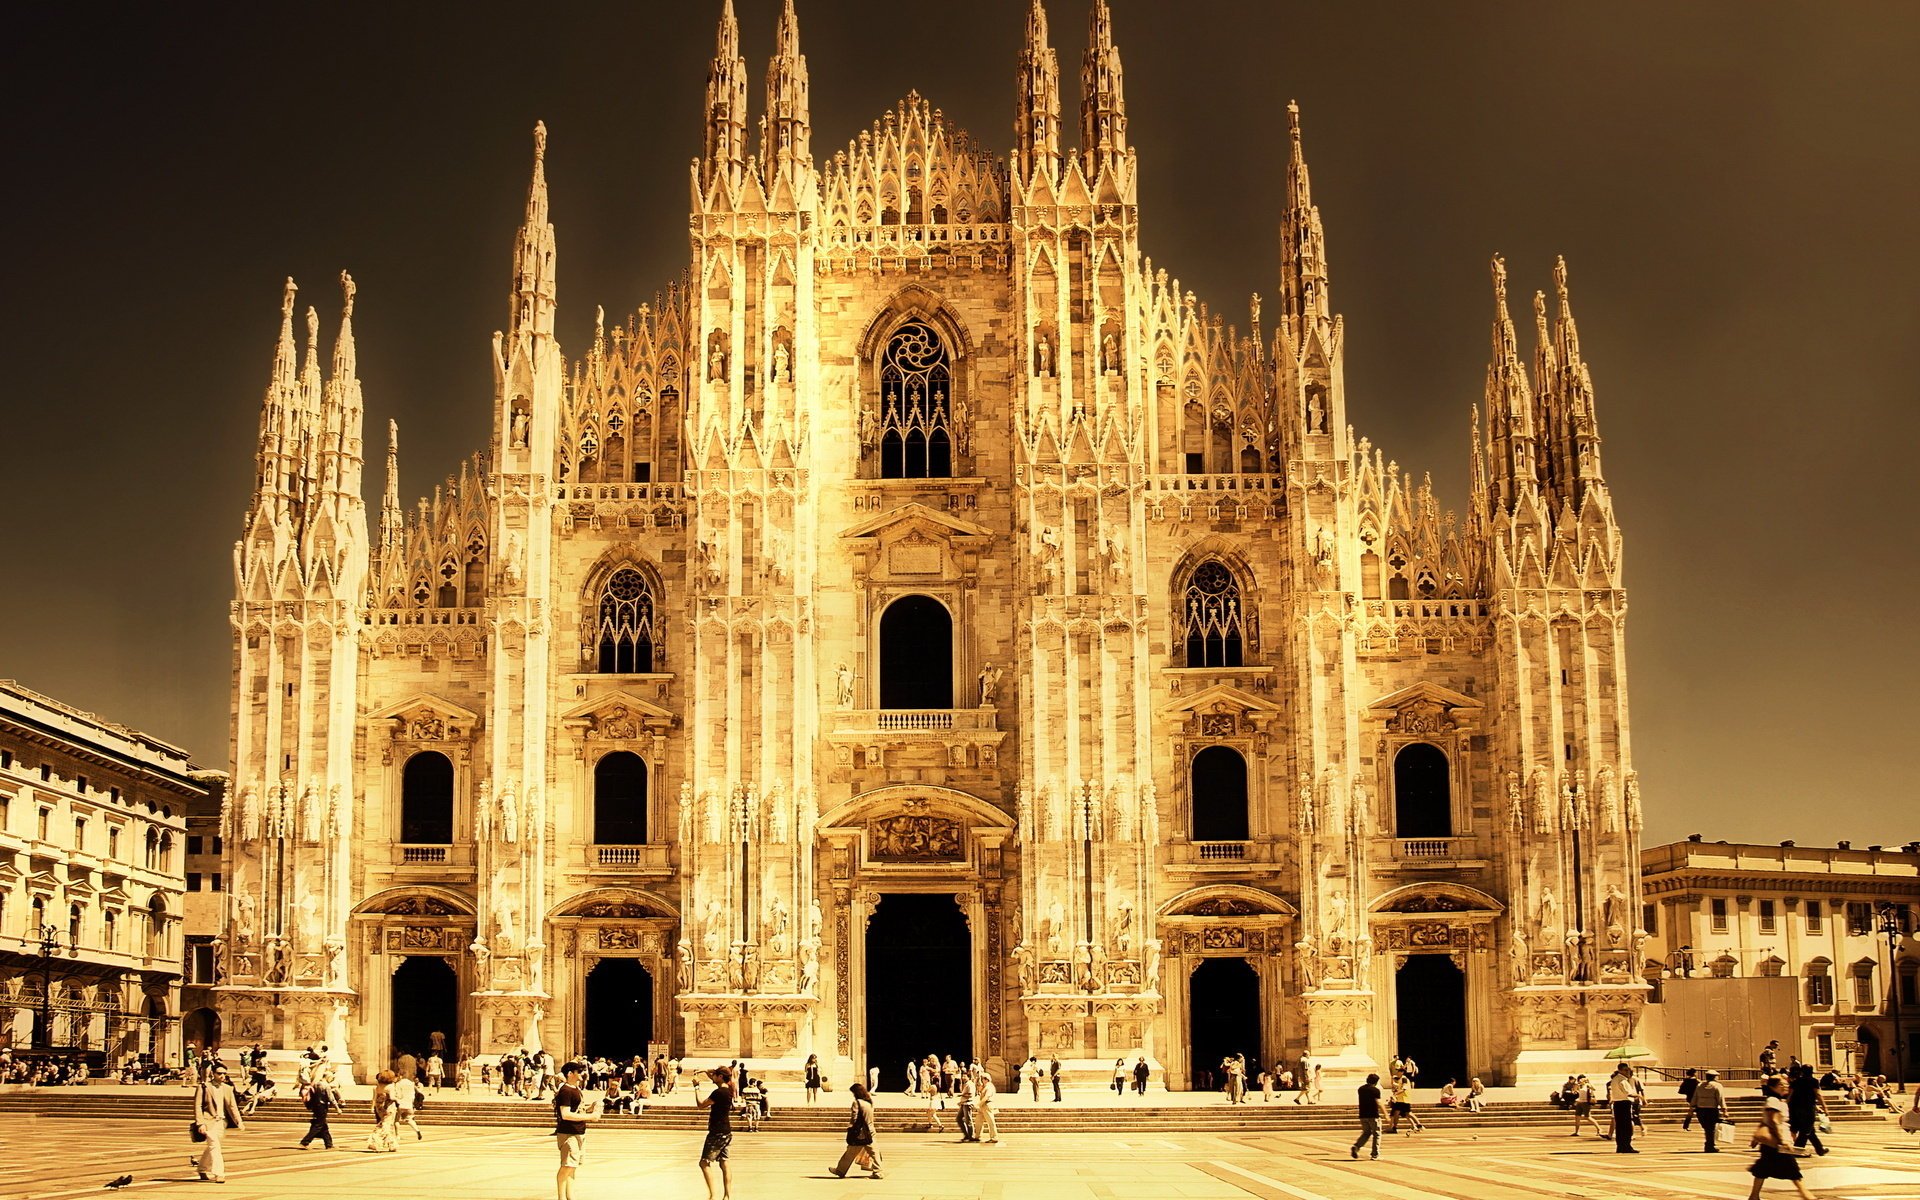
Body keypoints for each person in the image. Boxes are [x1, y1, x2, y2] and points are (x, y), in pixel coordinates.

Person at [1747, 1074, 1817, 1199]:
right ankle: (1806, 1196)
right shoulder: (1773, 1101)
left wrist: (1757, 1138)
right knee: (1792, 1169)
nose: (1785, 1086)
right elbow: (1774, 1121)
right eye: (1781, 1084)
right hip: (1776, 1141)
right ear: (1773, 1087)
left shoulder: (1779, 1101)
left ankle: (1754, 1196)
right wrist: (1783, 1140)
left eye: (1786, 1084)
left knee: (1763, 1169)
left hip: (1773, 1142)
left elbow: (1765, 1121)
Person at [553, 1061, 601, 1200]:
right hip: (569, 1133)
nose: (582, 1074)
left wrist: (590, 1108)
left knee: (572, 1167)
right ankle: (561, 1197)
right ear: (570, 1074)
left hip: (578, 1132)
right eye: (578, 1072)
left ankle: (570, 1197)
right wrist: (590, 1117)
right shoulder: (566, 1091)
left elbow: (577, 1110)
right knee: (566, 1166)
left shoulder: (575, 1089)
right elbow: (566, 1114)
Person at [190, 1064, 245, 1182]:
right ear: (213, 1074)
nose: (222, 1076)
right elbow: (198, 1106)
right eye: (219, 1073)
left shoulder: (227, 1088)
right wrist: (200, 1123)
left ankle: (202, 1168)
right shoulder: (204, 1087)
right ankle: (219, 1173)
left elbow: (232, 1106)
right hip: (208, 1121)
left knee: (212, 1146)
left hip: (221, 1122)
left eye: (224, 1073)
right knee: (215, 1146)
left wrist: (239, 1120)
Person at [696, 1065, 736, 1200]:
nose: (712, 1076)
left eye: (715, 1075)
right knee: (724, 1162)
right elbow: (714, 1077)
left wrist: (696, 1087)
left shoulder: (718, 1093)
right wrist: (705, 1071)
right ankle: (727, 1196)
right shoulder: (729, 1090)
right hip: (727, 1131)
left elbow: (701, 1104)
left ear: (720, 1077)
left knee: (704, 1162)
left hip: (717, 1132)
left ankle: (713, 1196)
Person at [830, 1081, 884, 1179]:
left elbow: (854, 1117)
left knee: (850, 1152)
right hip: (870, 1130)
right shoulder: (869, 1102)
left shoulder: (857, 1102)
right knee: (874, 1152)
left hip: (860, 1132)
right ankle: (878, 1172)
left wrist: (851, 1128)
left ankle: (840, 1171)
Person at [1786, 1064, 1829, 1156]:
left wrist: (1786, 1106)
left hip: (1795, 1108)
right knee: (1806, 1130)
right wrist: (1824, 1107)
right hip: (1808, 1108)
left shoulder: (1796, 1081)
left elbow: (1789, 1095)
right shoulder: (1813, 1081)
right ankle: (1797, 1150)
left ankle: (1820, 1149)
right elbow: (1818, 1094)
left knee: (1810, 1130)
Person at [1607, 1063, 1640, 1152]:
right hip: (1624, 1104)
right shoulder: (1622, 1080)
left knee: (1620, 1126)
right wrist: (1640, 1097)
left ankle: (1621, 1146)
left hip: (1618, 1104)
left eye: (1628, 1070)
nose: (1628, 1072)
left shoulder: (1615, 1079)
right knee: (1626, 1126)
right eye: (1625, 1070)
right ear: (1620, 1070)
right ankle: (1626, 1146)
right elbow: (1628, 1093)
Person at [364, 1071, 400, 1153]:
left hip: (379, 1107)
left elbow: (375, 1097)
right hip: (389, 1107)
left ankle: (392, 1144)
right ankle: (374, 1142)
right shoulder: (390, 1086)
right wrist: (398, 1099)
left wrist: (372, 1107)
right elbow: (392, 1097)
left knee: (387, 1124)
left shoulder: (378, 1086)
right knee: (385, 1125)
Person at [299, 1076, 340, 1149]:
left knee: (324, 1126)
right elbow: (331, 1098)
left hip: (316, 1106)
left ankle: (329, 1144)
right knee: (318, 1125)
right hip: (322, 1107)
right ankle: (305, 1141)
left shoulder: (315, 1084)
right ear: (328, 1077)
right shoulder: (326, 1085)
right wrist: (337, 1108)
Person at [1694, 1069, 1730, 1152]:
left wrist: (1692, 1107)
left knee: (1707, 1128)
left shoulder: (1700, 1085)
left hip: (1700, 1109)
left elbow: (1695, 1097)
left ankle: (1708, 1144)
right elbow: (1720, 1098)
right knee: (1711, 1128)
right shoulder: (1717, 1085)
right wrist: (1724, 1110)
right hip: (1711, 1109)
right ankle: (1710, 1146)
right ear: (1714, 1077)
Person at [1351, 1072, 1383, 1161]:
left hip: (1363, 1115)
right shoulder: (1375, 1090)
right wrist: (1386, 1115)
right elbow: (1378, 1102)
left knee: (1366, 1133)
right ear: (1376, 1082)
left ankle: (1356, 1146)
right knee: (1376, 1134)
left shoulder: (1361, 1089)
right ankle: (1375, 1154)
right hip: (1373, 1115)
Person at [391, 1067, 424, 1141]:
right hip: (409, 1104)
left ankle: (397, 1135)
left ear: (400, 1075)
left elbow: (398, 1094)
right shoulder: (411, 1083)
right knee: (409, 1119)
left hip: (401, 1104)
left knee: (396, 1120)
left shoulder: (399, 1084)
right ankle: (417, 1130)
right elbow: (413, 1095)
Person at [974, 1065, 1000, 1143]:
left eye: (982, 1079)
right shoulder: (985, 1086)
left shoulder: (989, 1087)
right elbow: (979, 1091)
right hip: (983, 1106)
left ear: (986, 1079)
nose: (981, 1080)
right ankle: (977, 1136)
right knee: (978, 1121)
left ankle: (994, 1137)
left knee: (990, 1121)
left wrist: (978, 1104)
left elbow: (986, 1097)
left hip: (987, 1105)